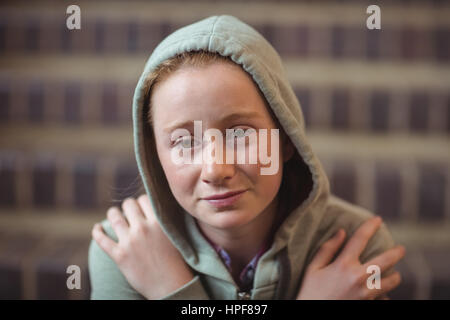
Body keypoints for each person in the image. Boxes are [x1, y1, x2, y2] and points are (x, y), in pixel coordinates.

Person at [88, 15, 405, 300]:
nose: (216, 169)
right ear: (155, 155)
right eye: (184, 141)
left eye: (240, 134)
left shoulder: (353, 249)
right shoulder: (128, 248)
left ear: (286, 139)